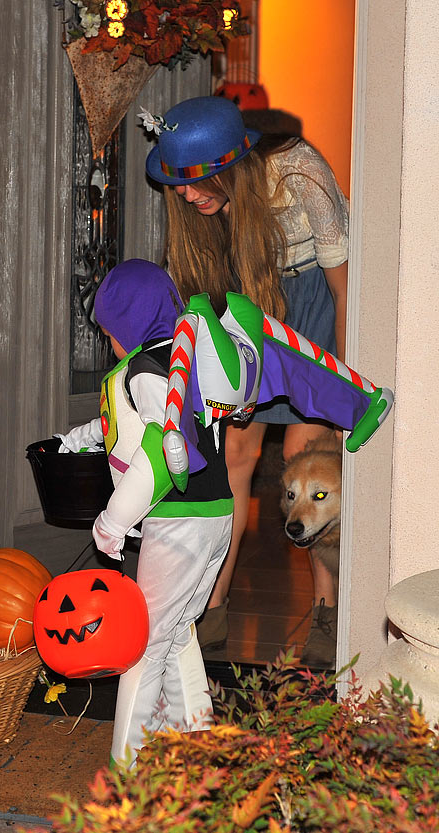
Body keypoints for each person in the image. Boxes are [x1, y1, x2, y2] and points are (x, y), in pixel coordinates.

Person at [144, 96, 349, 665]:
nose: (185, 194)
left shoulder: (299, 171)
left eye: (196, 181)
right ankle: (213, 608)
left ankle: (327, 615)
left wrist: (344, 377)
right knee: (235, 452)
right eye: (177, 184)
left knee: (307, 456)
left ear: (232, 164)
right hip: (247, 309)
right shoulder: (201, 211)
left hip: (310, 302)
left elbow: (343, 286)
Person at [58, 259, 233, 766]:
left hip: (179, 518)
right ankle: (194, 744)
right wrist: (80, 438)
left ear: (127, 326)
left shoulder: (143, 369)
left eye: (111, 331)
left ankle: (128, 769)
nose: (111, 342)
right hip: (216, 513)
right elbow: (131, 423)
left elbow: (159, 443)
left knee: (141, 645)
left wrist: (113, 520)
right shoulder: (181, 356)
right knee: (176, 632)